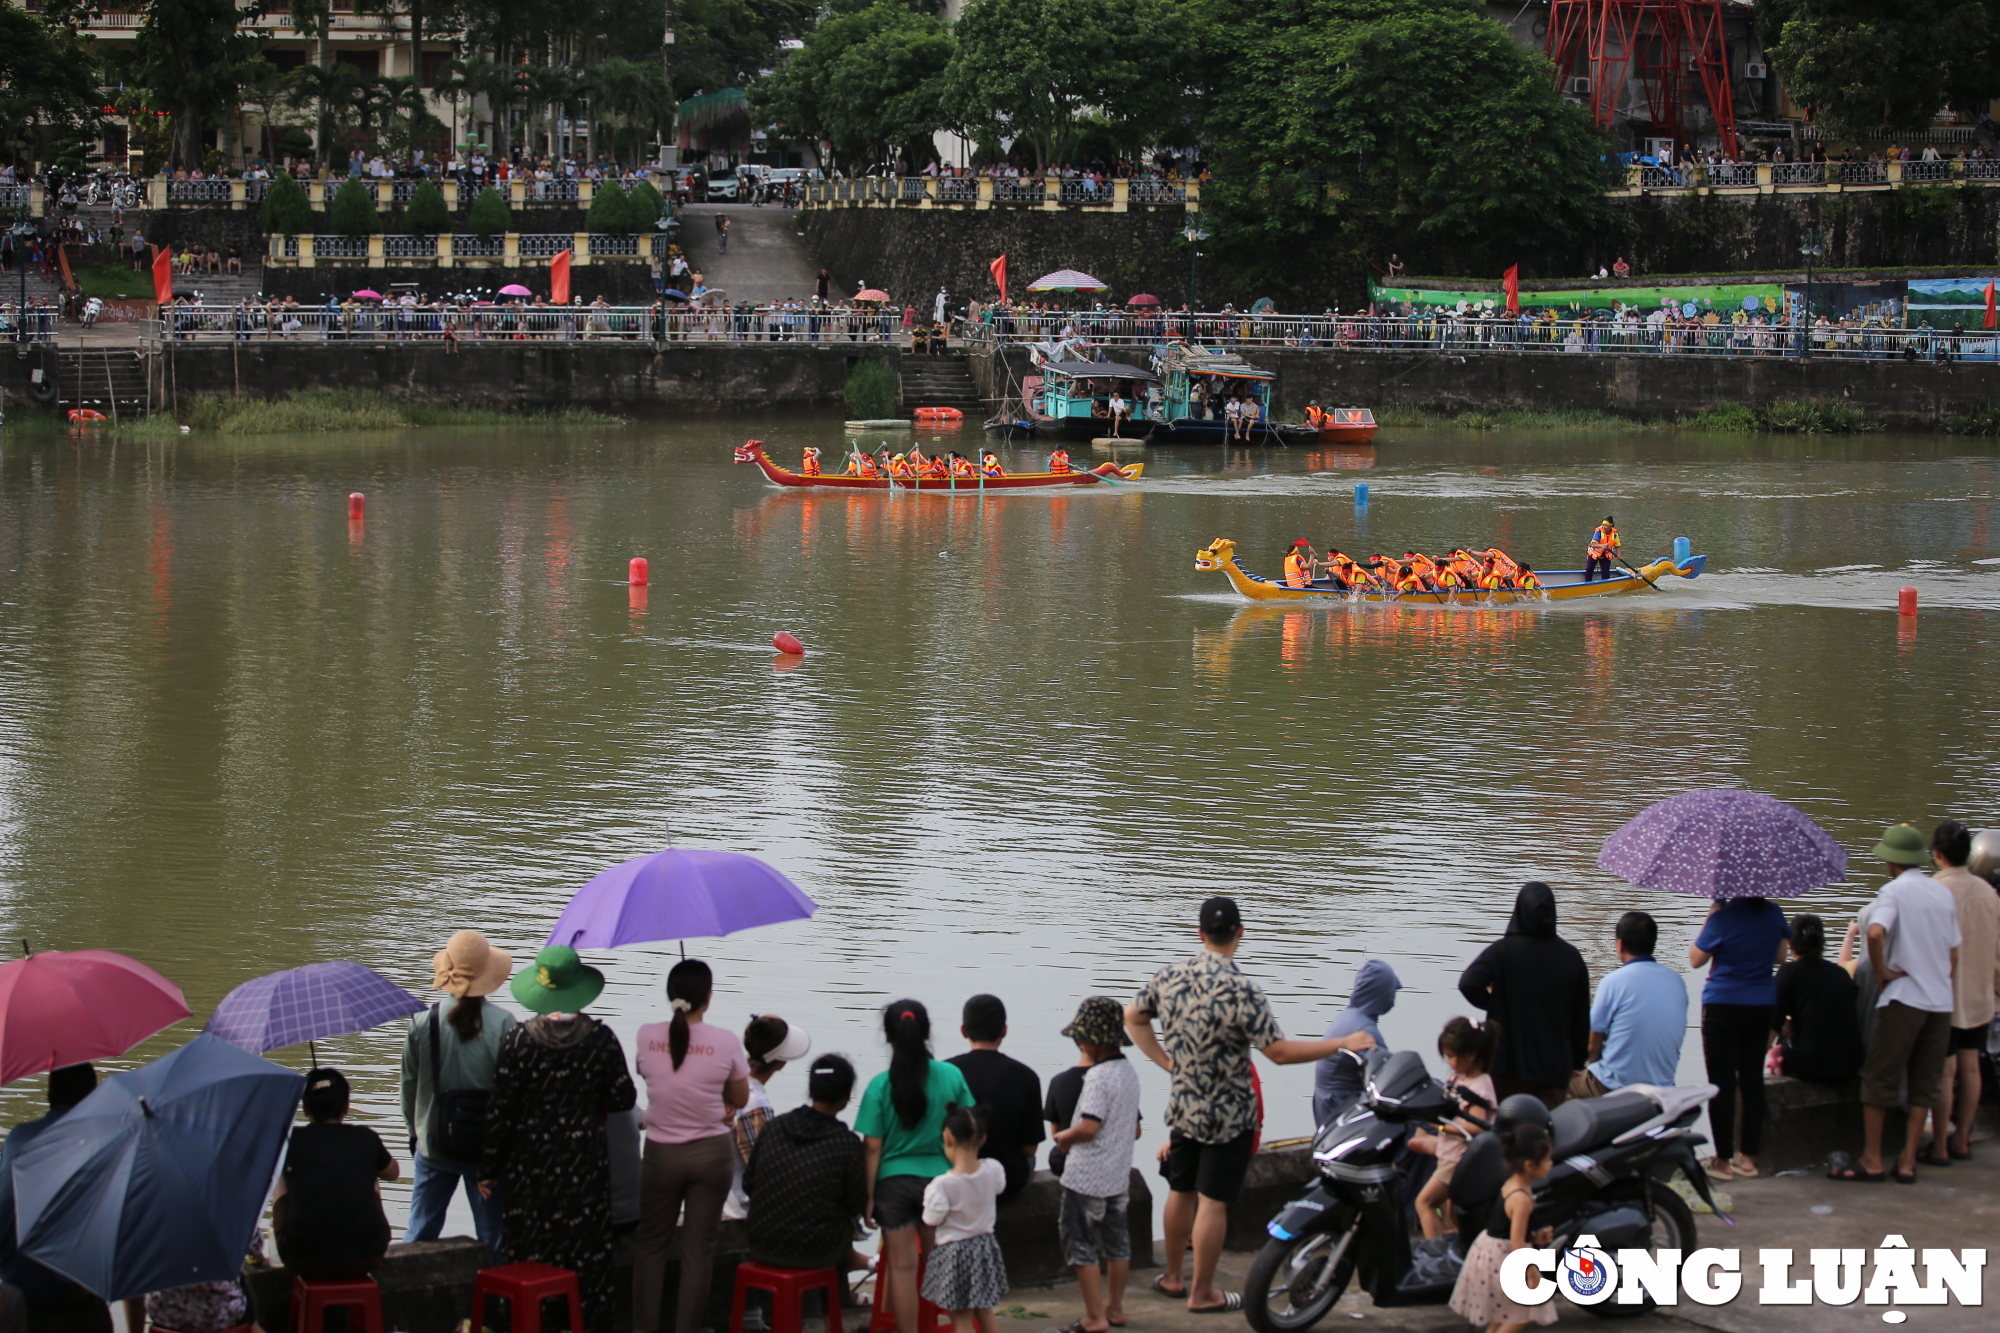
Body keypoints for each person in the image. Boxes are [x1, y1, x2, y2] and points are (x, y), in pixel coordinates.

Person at [1124, 896, 1376, 1314]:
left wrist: (1167, 1062)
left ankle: (1173, 1277)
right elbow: (1277, 1052)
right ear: (1240, 934)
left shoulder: (1169, 978)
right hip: (1230, 1113)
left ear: (1200, 934)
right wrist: (1341, 1043)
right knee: (1214, 1201)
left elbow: (1133, 1017)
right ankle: (1202, 1293)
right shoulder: (1244, 989)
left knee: (1181, 1191)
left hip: (1185, 1105)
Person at [480, 946, 638, 1333]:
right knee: (585, 1252)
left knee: (532, 1252)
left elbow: (500, 1110)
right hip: (584, 1158)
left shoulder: (518, 1042)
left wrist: (488, 1169)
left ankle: (534, 1322)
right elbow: (624, 1098)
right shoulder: (600, 1040)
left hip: (531, 1160)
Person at [1834, 824, 1961, 1184]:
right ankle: (1907, 1161)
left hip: (1904, 999)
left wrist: (1882, 970)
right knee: (1925, 1082)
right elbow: (1954, 951)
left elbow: (1874, 931)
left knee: (1879, 1080)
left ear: (1890, 861)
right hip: (1940, 1002)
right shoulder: (1941, 894)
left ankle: (1872, 1159)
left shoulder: (1892, 893)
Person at [634, 959, 750, 1333]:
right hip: (710, 1153)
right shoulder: (726, 1041)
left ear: (670, 996)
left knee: (651, 1246)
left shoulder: (645, 1035)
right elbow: (741, 1097)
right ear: (708, 998)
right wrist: (721, 1099)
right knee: (698, 1251)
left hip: (660, 1155)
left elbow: (651, 1074)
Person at [858, 1001, 975, 1333]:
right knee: (942, 1267)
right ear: (927, 1034)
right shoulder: (952, 1076)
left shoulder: (880, 1085)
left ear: (888, 1037)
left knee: (902, 1268)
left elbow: (872, 1147)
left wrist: (869, 1197)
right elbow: (968, 1130)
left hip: (892, 1186)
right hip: (939, 1183)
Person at [402, 929, 516, 1256]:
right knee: (493, 1237)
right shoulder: (504, 1024)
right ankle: (496, 1302)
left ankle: (407, 1298)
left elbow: (409, 1089)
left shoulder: (422, 1023)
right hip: (484, 1152)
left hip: (433, 1145)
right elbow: (511, 1096)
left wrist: (416, 1133)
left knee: (418, 1234)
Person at [1049, 998, 1141, 1333]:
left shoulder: (1098, 1077)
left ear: (1094, 1040)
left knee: (1080, 1241)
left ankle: (1093, 1317)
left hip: (1087, 1176)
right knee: (1118, 1242)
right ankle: (1114, 1308)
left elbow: (1089, 1127)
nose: (1079, 1042)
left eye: (1082, 1037)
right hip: (1118, 1175)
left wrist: (1065, 1139)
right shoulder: (1129, 1072)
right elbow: (1132, 1128)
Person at [1457, 882, 1590, 1108]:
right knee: (1545, 1132)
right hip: (1554, 1069)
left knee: (1503, 1128)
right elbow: (1581, 1017)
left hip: (1505, 1065)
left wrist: (1496, 1004)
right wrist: (1577, 1062)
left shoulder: (1502, 951)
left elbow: (1469, 983)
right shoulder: (1571, 958)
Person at [0, 1065, 111, 1333]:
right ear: (93, 1098)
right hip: (71, 1304)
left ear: (49, 1092)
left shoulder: (16, 1137)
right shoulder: (99, 1146)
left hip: (16, 1297)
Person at [1688, 898, 1790, 1178]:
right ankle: (1747, 1159)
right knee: (1751, 1079)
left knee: (1721, 1083)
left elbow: (1696, 959)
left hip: (1723, 1004)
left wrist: (1711, 918)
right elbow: (1780, 957)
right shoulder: (1774, 912)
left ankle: (1722, 1161)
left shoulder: (1722, 917)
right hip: (1761, 1005)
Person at [743, 1053, 869, 1278]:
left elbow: (749, 1183)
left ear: (811, 1091)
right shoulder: (846, 1142)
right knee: (844, 1224)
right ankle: (835, 1305)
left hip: (760, 1242)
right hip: (816, 1251)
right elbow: (855, 1204)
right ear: (847, 1096)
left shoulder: (774, 1127)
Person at [1922, 819, 2000, 1164]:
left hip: (1943, 995)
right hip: (1981, 993)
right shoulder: (1989, 893)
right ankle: (1963, 1139)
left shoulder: (1934, 890)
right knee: (1971, 1068)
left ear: (1937, 854)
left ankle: (1939, 1144)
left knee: (1945, 1070)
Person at [274, 1068, 397, 1280]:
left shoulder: (289, 1141)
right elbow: (393, 1173)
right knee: (371, 1172)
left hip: (302, 1258)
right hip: (368, 1255)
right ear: (347, 1106)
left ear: (306, 1109)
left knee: (279, 1171)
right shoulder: (365, 1137)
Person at [1446, 1123, 1557, 1330]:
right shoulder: (1521, 1199)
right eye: (1547, 1159)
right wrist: (1532, 1273)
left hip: (1492, 1253)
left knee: (1503, 1314)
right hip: (1504, 1260)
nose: (1551, 1164)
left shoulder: (1511, 1183)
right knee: (1521, 1314)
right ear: (1530, 1165)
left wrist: (1534, 1237)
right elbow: (1516, 1241)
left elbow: (1509, 1228)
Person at [1573, 911, 1686, 1101]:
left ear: (1620, 945)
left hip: (1613, 1086)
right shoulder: (1676, 981)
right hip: (1663, 1087)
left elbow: (1593, 1045)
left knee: (1554, 1090)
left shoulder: (1613, 982)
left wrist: (1590, 1071)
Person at [921, 1105, 1008, 1333]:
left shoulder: (941, 1185)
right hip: (985, 1247)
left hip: (954, 1254)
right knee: (986, 1311)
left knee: (961, 1320)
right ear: (983, 1139)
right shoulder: (994, 1170)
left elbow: (931, 1219)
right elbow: (999, 1188)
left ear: (947, 1138)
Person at [947, 995, 1043, 1203]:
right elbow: (1029, 1148)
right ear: (1004, 1030)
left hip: (954, 1177)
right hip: (1008, 1182)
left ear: (963, 1031)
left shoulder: (945, 1074)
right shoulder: (1026, 1076)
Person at [1411, 1018, 1498, 1240]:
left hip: (1457, 1159)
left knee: (1424, 1203)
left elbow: (1477, 1127)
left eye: (1451, 1056)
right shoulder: (1459, 1077)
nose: (1449, 1062)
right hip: (1449, 1153)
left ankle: (1435, 1254)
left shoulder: (1479, 1085)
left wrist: (1442, 1127)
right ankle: (1455, 1251)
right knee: (1453, 1216)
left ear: (1470, 1055)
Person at [725, 1015, 812, 1221]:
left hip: (721, 1195)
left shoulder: (729, 1084)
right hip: (739, 1205)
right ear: (780, 1062)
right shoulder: (756, 1103)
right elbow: (760, 1167)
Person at [1771, 912, 1862, 1084]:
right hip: (1849, 1066)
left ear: (1790, 944)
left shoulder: (1788, 973)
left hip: (1810, 1067)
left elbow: (1771, 1024)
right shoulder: (1840, 974)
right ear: (1821, 943)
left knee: (1782, 1043)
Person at [1311, 959, 1402, 1124]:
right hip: (1339, 1109)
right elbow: (1390, 1080)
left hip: (1326, 1104)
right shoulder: (1365, 1030)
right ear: (1382, 993)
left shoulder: (1349, 1015)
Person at [1583, 516, 1619, 582]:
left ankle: (1605, 586)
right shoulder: (1598, 532)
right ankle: (1587, 584)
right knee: (1589, 569)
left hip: (1606, 555)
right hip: (1594, 553)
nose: (1604, 527)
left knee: (1606, 571)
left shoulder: (1615, 534)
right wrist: (1602, 546)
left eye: (1606, 525)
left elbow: (1618, 546)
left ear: (1611, 527)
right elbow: (1594, 544)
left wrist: (1619, 554)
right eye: (1603, 525)